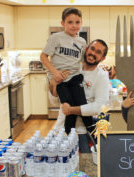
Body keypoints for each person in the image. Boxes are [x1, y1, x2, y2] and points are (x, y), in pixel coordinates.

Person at [40, 7, 94, 135]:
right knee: (68, 106)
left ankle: (93, 132)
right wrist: (55, 73)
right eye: (70, 22)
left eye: (77, 22)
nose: (74, 25)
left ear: (81, 23)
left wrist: (99, 68)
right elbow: (43, 56)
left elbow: (83, 61)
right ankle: (68, 134)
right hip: (60, 80)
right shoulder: (56, 37)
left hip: (75, 78)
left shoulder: (82, 41)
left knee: (82, 105)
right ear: (62, 23)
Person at [62, 39, 110, 152]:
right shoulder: (73, 68)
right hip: (63, 127)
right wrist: (54, 83)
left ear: (102, 58)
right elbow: (55, 95)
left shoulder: (101, 76)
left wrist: (71, 110)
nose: (93, 53)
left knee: (85, 163)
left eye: (98, 52)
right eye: (92, 49)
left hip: (83, 130)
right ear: (87, 49)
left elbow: (100, 106)